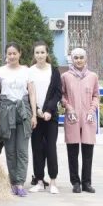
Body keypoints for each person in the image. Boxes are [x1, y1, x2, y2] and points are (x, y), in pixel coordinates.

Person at [0, 42, 37, 197]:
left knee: (22, 149)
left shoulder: (26, 71)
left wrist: (34, 114)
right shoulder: (0, 71)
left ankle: (20, 183)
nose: (12, 56)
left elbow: (32, 94)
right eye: (9, 53)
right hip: (6, 109)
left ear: (20, 54)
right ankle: (12, 182)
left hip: (23, 110)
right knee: (10, 150)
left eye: (14, 53)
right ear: (6, 55)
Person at [62, 47, 100, 194]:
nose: (78, 60)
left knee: (88, 150)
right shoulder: (65, 76)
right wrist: (68, 107)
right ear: (72, 59)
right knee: (72, 150)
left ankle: (87, 182)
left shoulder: (92, 76)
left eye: (81, 57)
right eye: (75, 57)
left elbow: (96, 95)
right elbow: (62, 95)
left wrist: (92, 110)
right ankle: (75, 182)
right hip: (72, 116)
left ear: (86, 59)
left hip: (88, 117)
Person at [28, 42, 63, 194]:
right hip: (35, 117)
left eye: (43, 52)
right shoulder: (30, 71)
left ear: (47, 54)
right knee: (37, 148)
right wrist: (36, 110)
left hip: (50, 117)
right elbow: (28, 93)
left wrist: (48, 110)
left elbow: (57, 93)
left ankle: (53, 181)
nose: (40, 55)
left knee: (50, 148)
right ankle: (40, 180)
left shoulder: (53, 71)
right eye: (37, 52)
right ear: (34, 55)